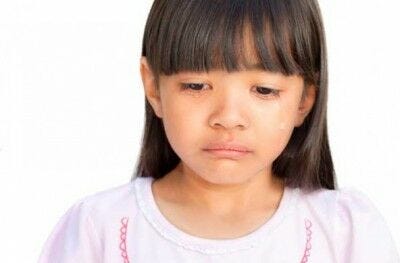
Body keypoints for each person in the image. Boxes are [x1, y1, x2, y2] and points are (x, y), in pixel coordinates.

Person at [38, 0, 400, 262]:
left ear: (304, 100)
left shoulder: (345, 233)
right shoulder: (95, 229)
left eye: (264, 90)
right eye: (196, 85)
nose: (228, 118)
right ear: (153, 88)